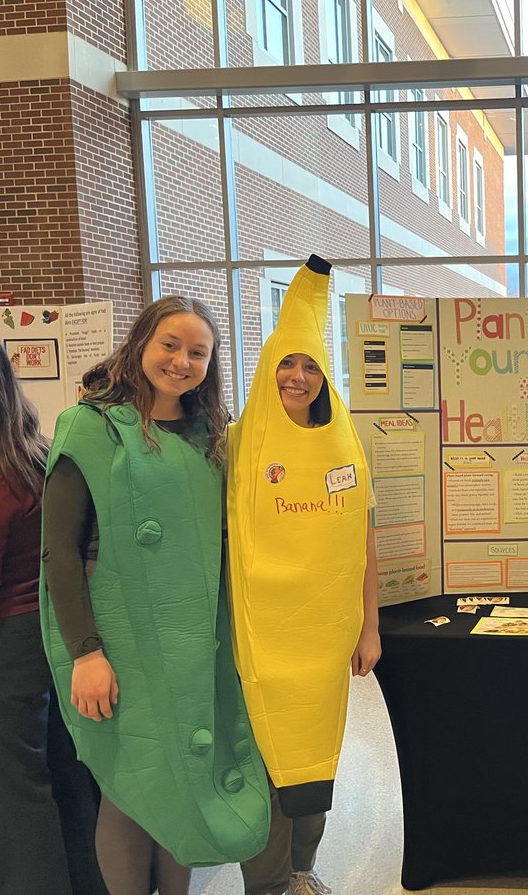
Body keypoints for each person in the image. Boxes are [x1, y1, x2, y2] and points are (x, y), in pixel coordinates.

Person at [40, 297, 271, 894]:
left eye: (198, 351)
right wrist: (86, 653)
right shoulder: (89, 427)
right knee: (130, 786)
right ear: (141, 342)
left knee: (184, 779)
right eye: (170, 344)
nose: (181, 360)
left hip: (194, 641)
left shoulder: (208, 436)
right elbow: (59, 552)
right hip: (124, 642)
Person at [228, 255, 380, 895]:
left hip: (324, 636)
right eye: (286, 362)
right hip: (260, 637)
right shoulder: (239, 444)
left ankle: (302, 870)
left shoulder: (345, 445)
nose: (297, 376)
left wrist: (368, 627)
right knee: (265, 759)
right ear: (269, 368)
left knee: (316, 752)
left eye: (310, 365)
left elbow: (366, 545)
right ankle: (264, 884)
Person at [0, 331, 106, 895]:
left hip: (2, 650)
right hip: (53, 634)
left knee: (8, 798)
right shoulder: (39, 454)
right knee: (64, 778)